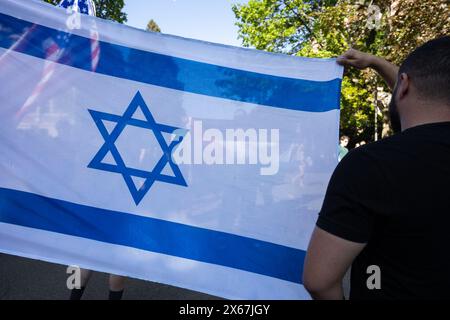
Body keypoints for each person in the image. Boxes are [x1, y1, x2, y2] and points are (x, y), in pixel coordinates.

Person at [303, 36, 450, 299]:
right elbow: (421, 98)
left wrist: (377, 63)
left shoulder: (372, 165)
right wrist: (376, 63)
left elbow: (319, 280)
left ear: (403, 86)